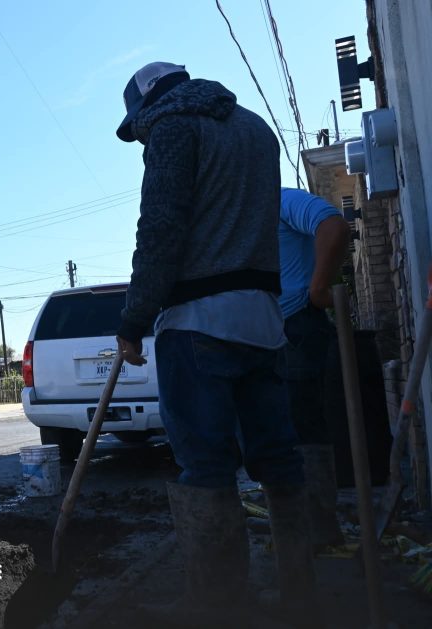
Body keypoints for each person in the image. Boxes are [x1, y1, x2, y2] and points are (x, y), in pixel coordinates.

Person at [114, 62, 317, 624]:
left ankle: (219, 605)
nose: (143, 141)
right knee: (277, 456)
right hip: (263, 319)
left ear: (148, 107)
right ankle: (301, 594)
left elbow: (161, 229)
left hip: (199, 322)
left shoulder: (175, 129)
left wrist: (134, 319)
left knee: (205, 466)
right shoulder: (255, 128)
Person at [279, 187, 350, 548]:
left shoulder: (282, 200)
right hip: (268, 333)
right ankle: (300, 523)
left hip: (298, 325)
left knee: (302, 425)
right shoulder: (240, 212)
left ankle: (319, 527)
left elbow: (333, 226)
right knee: (281, 427)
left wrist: (319, 287)